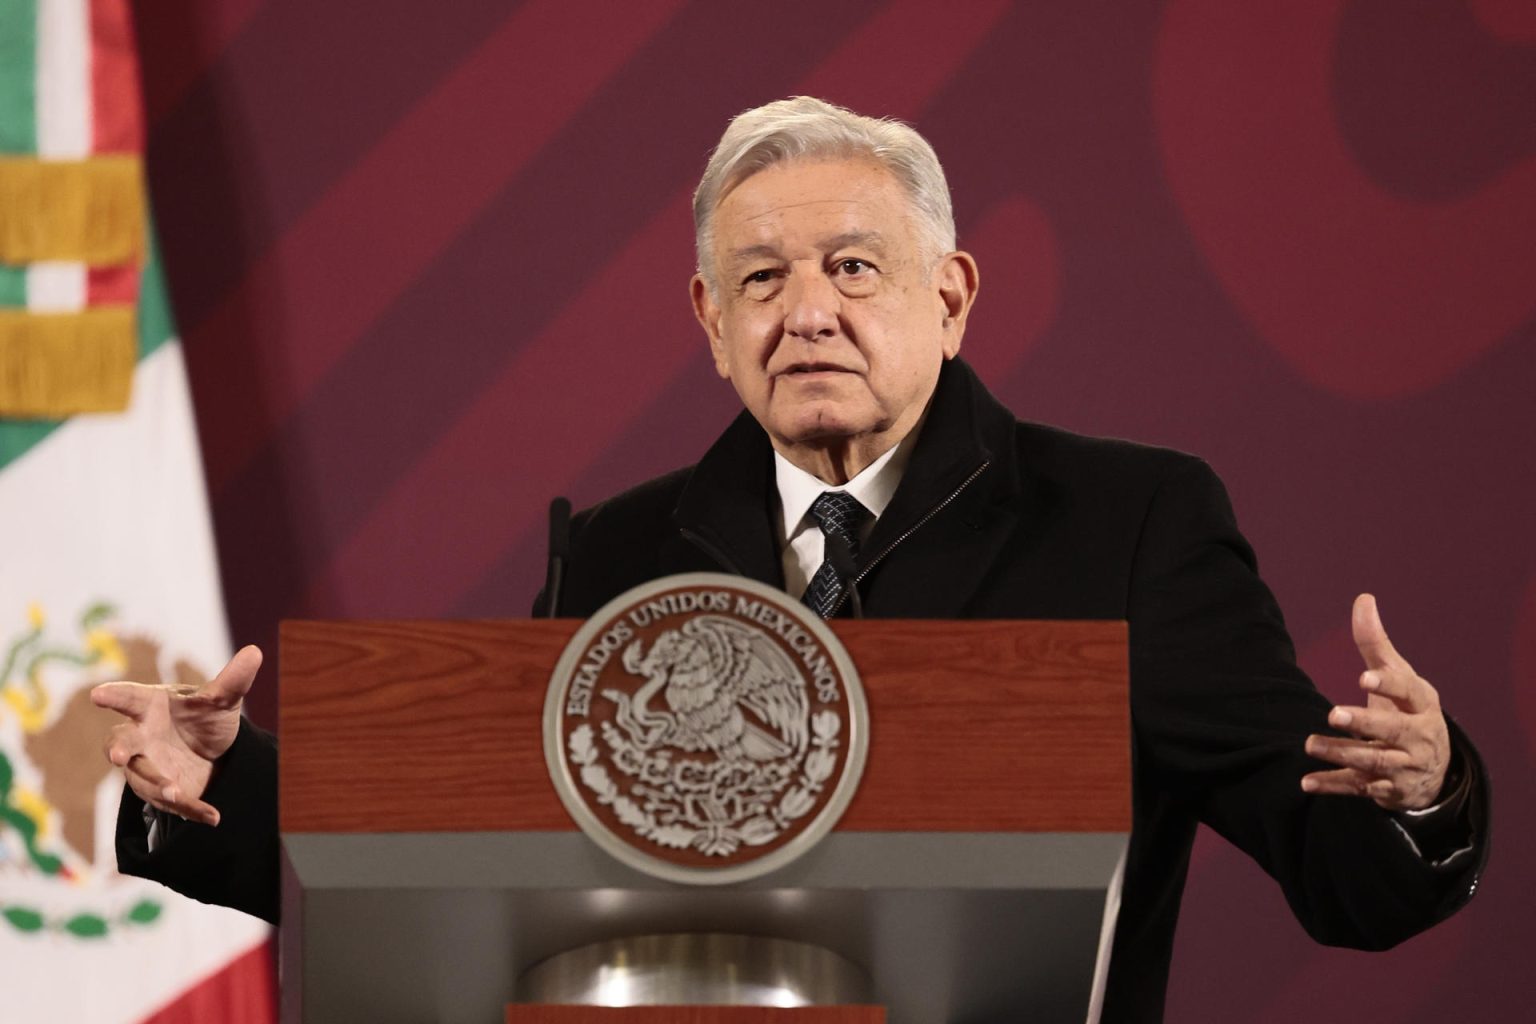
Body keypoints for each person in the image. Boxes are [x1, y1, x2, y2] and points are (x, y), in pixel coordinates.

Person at [94, 97, 1487, 1021]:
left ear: (951, 299)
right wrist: (224, 776)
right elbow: (476, 843)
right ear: (709, 318)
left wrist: (1420, 795)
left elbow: (1343, 870)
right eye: (761, 279)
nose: (806, 310)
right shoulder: (628, 548)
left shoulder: (1130, 525)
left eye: (854, 267)